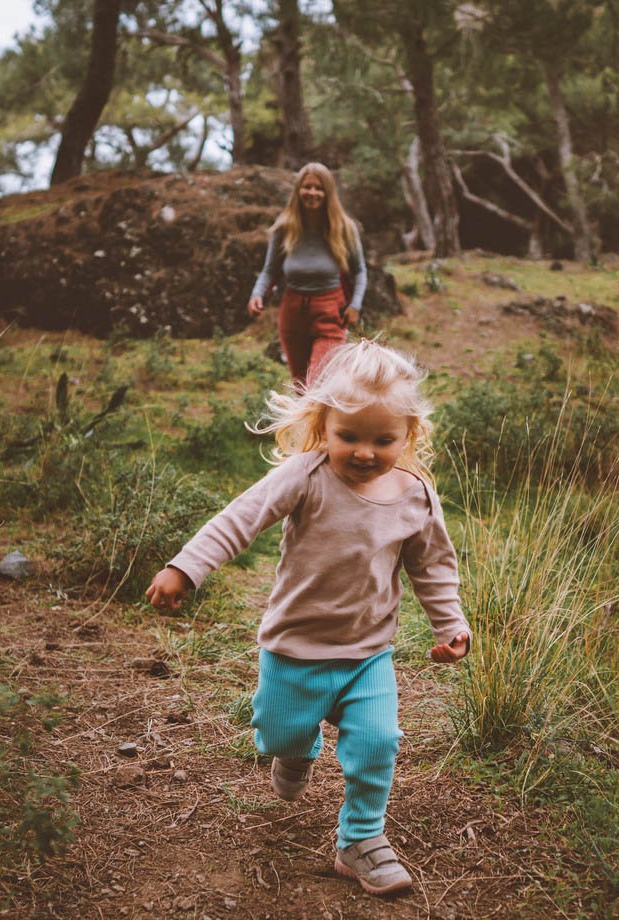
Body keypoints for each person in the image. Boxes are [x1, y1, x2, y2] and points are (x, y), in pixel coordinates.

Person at [145, 340, 471, 897]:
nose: (365, 452)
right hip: (294, 650)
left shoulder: (414, 496)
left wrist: (451, 625)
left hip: (368, 654)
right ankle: (297, 750)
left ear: (409, 434)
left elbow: (434, 567)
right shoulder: (305, 475)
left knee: (378, 742)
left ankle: (361, 841)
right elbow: (238, 520)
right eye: (350, 436)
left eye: (383, 439)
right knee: (279, 731)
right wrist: (186, 567)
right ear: (323, 425)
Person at [247, 162, 368, 387]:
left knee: (318, 382)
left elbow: (360, 271)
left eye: (319, 188)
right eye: (307, 187)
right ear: (298, 191)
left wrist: (355, 306)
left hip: (330, 311)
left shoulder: (344, 228)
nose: (313, 193)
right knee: (301, 386)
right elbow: (270, 270)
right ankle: (311, 424)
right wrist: (257, 294)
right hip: (292, 313)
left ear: (328, 193)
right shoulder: (285, 228)